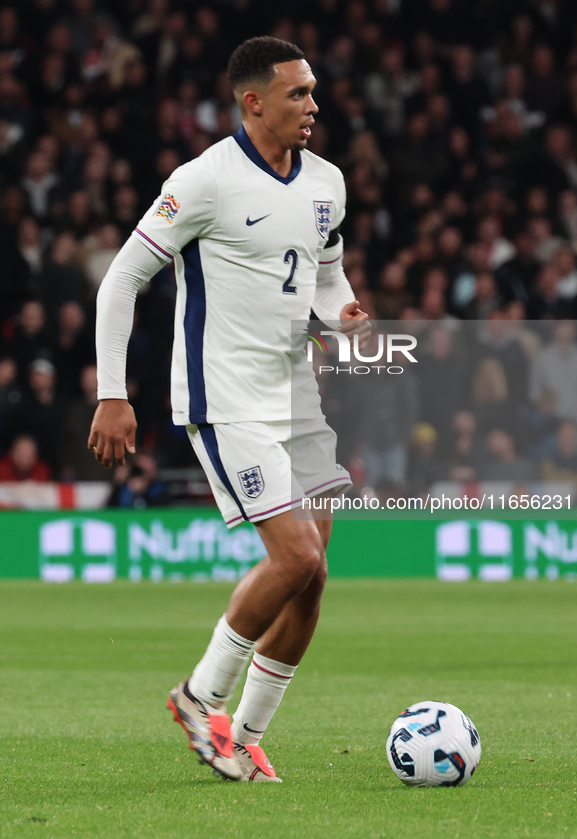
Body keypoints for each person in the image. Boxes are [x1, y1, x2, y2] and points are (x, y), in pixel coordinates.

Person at [88, 37, 369, 784]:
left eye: (312, 91)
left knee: (314, 575)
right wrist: (111, 392)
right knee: (295, 555)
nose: (313, 105)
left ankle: (243, 734)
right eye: (298, 94)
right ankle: (199, 695)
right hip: (224, 396)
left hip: (293, 396)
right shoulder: (203, 180)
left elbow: (325, 274)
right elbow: (122, 279)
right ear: (253, 102)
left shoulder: (326, 183)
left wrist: (343, 316)